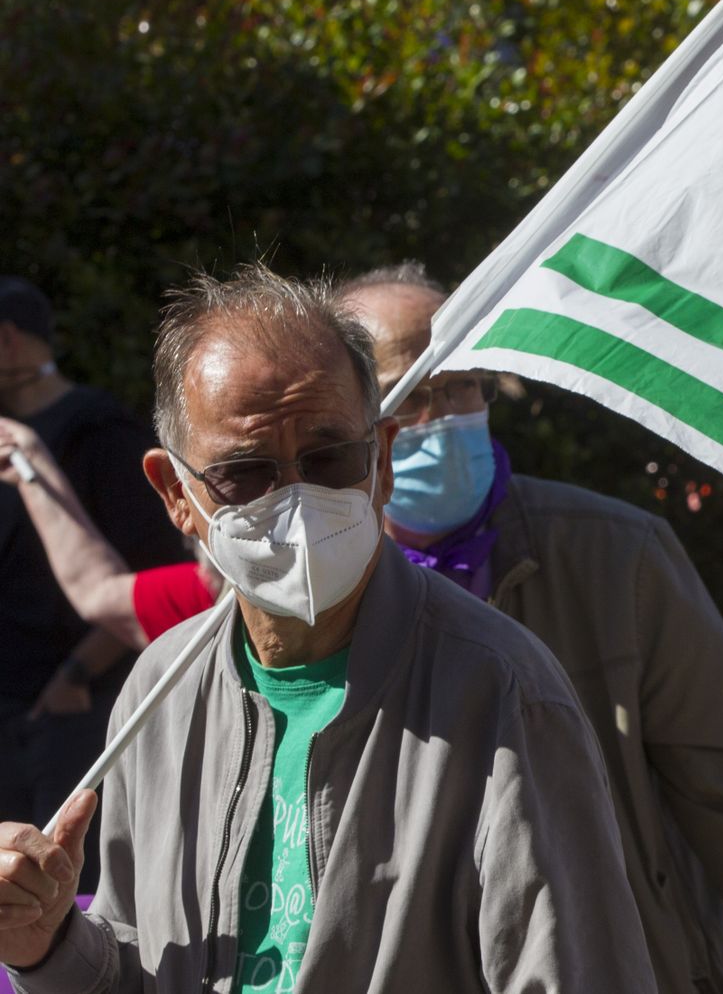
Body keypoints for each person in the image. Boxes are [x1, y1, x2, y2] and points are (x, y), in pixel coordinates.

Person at [0, 266, 655, 993]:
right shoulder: (161, 694)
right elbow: (139, 970)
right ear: (175, 494)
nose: (297, 498)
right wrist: (46, 944)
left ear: (380, 461)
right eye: (246, 473)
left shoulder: (498, 689)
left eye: (328, 458)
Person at [339, 264, 723, 994]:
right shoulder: (322, 603)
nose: (446, 415)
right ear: (352, 416)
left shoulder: (618, 557)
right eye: (416, 394)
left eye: (464, 384)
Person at [0, 277, 187, 895]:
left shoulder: (97, 430)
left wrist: (75, 677)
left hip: (71, 714)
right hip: (12, 708)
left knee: (59, 889)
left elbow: (146, 576)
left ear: (6, 342)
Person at [0, 417, 221, 649]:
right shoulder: (213, 594)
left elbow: (96, 592)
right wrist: (31, 461)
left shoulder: (221, 595)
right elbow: (98, 591)